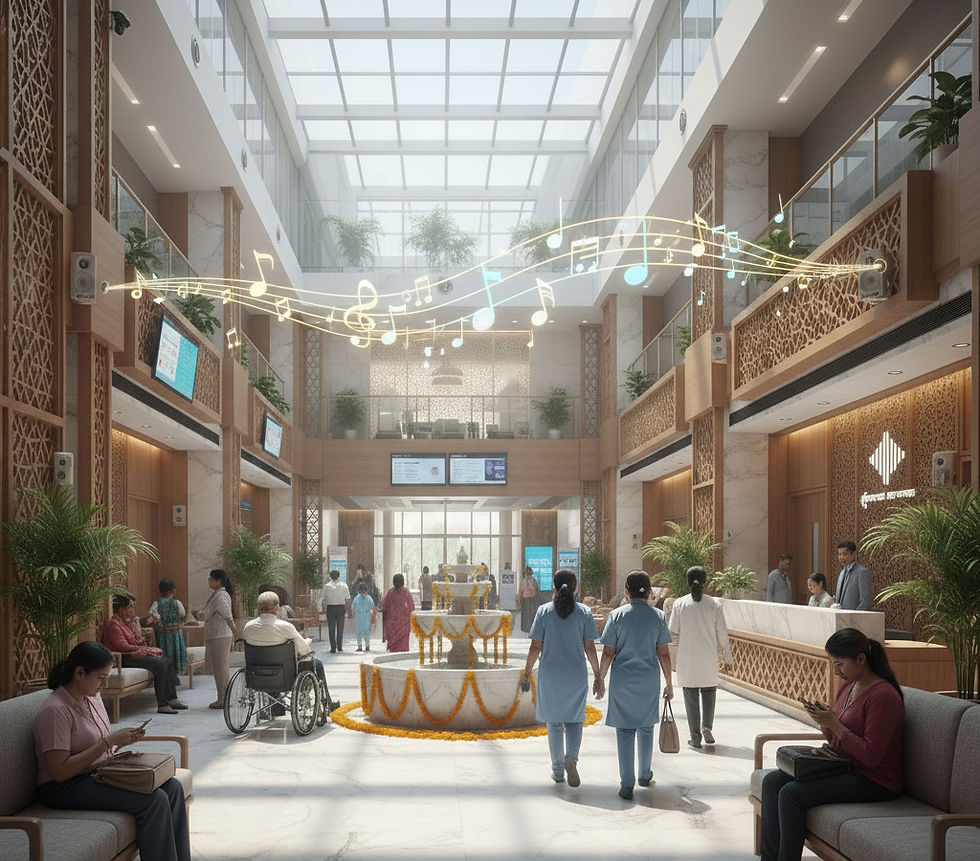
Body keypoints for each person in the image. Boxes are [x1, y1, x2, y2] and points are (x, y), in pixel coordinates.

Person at [34, 641, 191, 861]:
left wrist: (121, 741)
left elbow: (95, 743)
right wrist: (108, 743)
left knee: (172, 786)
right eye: (101, 677)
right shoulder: (56, 710)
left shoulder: (92, 698)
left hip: (98, 773)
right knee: (154, 800)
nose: (105, 684)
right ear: (79, 672)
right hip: (63, 787)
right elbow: (59, 772)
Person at [761, 628, 904, 861]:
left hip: (875, 780)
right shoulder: (849, 687)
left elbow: (872, 757)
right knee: (772, 781)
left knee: (791, 794)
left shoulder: (883, 697)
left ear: (861, 659)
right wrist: (824, 721)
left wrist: (835, 725)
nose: (835, 671)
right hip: (845, 767)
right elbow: (836, 740)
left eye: (839, 664)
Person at [595, 571, 672, 800]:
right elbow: (664, 653)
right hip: (648, 681)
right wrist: (669, 683)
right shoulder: (657, 616)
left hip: (623, 680)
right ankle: (644, 774)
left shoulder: (617, 616)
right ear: (649, 592)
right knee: (646, 727)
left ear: (627, 591)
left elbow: (608, 651)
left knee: (625, 730)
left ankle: (626, 783)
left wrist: (600, 677)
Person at [521, 569, 600, 787]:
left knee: (554, 723)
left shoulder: (544, 612)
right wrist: (598, 674)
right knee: (575, 720)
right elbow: (590, 647)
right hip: (576, 674)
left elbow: (535, 646)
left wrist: (527, 672)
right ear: (575, 588)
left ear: (554, 587)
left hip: (551, 675)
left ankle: (557, 770)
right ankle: (571, 759)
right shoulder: (584, 612)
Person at [667, 566, 732, 750]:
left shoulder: (680, 604)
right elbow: (722, 632)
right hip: (708, 655)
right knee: (709, 692)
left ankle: (695, 736)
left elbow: (674, 630)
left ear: (688, 582)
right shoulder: (714, 604)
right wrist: (728, 658)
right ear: (705, 582)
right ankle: (707, 727)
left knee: (691, 694)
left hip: (688, 656)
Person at [243, 591, 338, 711]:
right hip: (285, 676)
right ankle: (326, 703)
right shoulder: (285, 627)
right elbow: (304, 650)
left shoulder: (248, 627)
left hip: (256, 675)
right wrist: (308, 641)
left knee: (269, 659)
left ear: (259, 608)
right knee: (316, 663)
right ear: (277, 608)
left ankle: (275, 705)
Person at [102, 595, 186, 714]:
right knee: (161, 665)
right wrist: (147, 650)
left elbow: (134, 642)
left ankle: (172, 698)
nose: (132, 610)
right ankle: (162, 704)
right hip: (123, 658)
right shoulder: (113, 625)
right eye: (130, 607)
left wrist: (141, 640)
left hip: (133, 654)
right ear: (121, 609)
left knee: (167, 659)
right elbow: (123, 647)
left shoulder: (125, 623)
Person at [195, 569, 237, 709]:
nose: (209, 581)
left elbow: (227, 615)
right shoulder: (217, 594)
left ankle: (223, 698)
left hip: (220, 635)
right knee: (219, 668)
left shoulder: (220, 596)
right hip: (216, 635)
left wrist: (235, 632)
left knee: (221, 668)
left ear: (218, 581)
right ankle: (222, 697)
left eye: (211, 579)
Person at [146, 578, 188, 677]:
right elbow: (182, 614)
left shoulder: (156, 603)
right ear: (173, 590)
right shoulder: (177, 603)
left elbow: (150, 615)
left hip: (161, 636)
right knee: (175, 655)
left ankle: (165, 675)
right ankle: (175, 675)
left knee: (164, 655)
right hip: (175, 637)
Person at [832, 541, 871, 610]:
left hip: (853, 618)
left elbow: (865, 601)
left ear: (854, 555)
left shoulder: (861, 572)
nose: (841, 557)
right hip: (840, 617)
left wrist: (854, 618)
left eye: (844, 554)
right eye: (839, 554)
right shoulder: (842, 573)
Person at [382, 573, 415, 652]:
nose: (399, 588)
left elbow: (384, 607)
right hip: (401, 622)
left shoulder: (390, 592)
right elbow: (411, 607)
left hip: (396, 623)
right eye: (398, 586)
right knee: (401, 646)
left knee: (397, 645)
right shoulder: (405, 592)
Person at [321, 569, 351, 653]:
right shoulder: (344, 585)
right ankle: (340, 646)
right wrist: (349, 611)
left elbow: (323, 600)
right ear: (339, 576)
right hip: (341, 608)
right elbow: (347, 599)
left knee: (331, 628)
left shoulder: (327, 586)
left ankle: (333, 648)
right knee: (340, 628)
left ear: (330, 577)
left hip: (330, 608)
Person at [352, 581, 376, 651]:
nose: (363, 594)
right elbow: (353, 606)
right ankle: (359, 646)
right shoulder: (357, 598)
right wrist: (353, 613)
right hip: (358, 617)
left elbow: (372, 607)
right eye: (361, 592)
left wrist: (372, 616)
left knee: (366, 632)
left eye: (364, 593)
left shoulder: (369, 598)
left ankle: (367, 645)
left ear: (367, 591)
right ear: (359, 592)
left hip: (366, 617)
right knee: (358, 632)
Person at [518, 566, 540, 633]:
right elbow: (521, 591)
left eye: (529, 572)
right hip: (525, 599)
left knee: (532, 614)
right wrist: (519, 599)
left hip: (532, 599)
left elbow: (537, 589)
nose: (528, 573)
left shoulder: (533, 580)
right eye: (527, 572)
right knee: (526, 614)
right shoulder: (524, 581)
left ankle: (531, 627)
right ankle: (526, 628)